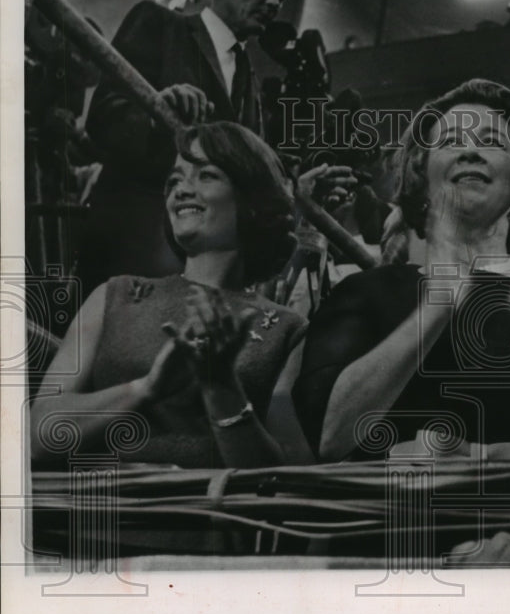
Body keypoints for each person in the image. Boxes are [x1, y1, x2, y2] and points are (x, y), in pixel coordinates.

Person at [293, 79, 510, 463]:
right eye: (451, 141)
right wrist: (439, 302)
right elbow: (327, 439)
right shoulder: (364, 293)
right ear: (422, 171)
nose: (471, 150)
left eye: (492, 142)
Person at [31, 122, 307, 470]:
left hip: (215, 522)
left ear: (252, 199)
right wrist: (146, 389)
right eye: (174, 180)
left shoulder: (286, 330)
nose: (181, 190)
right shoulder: (113, 297)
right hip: (107, 520)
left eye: (205, 175)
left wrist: (221, 387)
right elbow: (41, 435)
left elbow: (291, 480)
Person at [80, 0, 294, 293]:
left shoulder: (251, 83)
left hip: (205, 282)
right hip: (131, 265)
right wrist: (156, 113)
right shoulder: (159, 23)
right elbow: (102, 119)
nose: (273, 2)